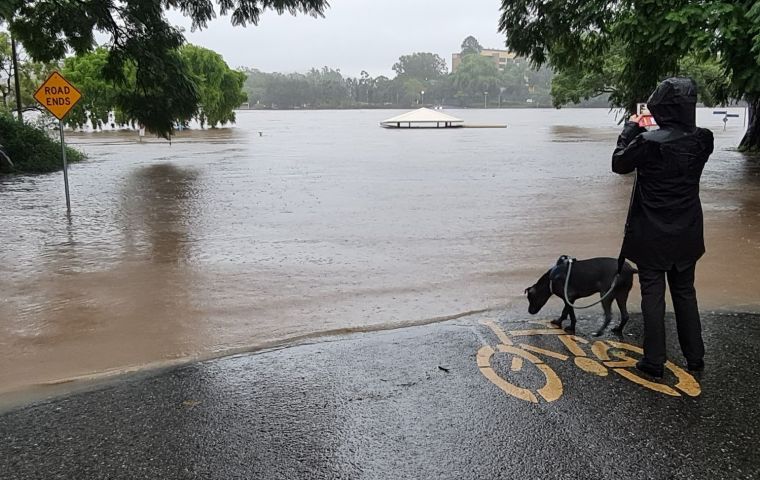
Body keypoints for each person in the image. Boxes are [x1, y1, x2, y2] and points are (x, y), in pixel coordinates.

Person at [611, 77, 714, 378]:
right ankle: (695, 357)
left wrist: (632, 127)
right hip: (688, 232)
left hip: (651, 234)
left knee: (652, 294)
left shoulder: (646, 142)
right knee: (685, 292)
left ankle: (654, 362)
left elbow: (619, 163)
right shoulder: (704, 139)